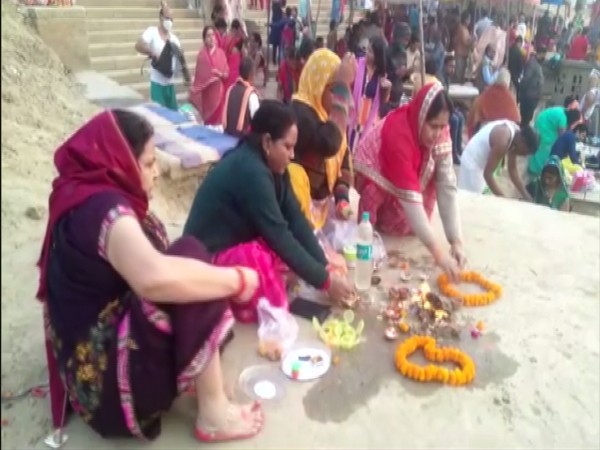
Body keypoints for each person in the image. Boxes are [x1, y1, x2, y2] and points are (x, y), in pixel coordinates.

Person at [38, 109, 264, 443]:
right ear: (119, 161)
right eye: (147, 164)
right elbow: (154, 277)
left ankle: (198, 378)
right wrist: (236, 280)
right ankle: (214, 414)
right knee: (191, 265)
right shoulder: (105, 212)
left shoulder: (82, 192)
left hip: (86, 367)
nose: (156, 173)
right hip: (105, 389)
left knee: (192, 266)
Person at [183, 101, 354, 323]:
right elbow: (279, 235)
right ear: (266, 142)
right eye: (288, 147)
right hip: (206, 258)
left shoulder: (273, 166)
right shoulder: (251, 170)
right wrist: (327, 282)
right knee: (263, 259)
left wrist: (324, 266)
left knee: (289, 256)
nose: (292, 155)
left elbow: (295, 219)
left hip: (233, 242)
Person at [354, 83, 466, 279]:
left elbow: (447, 185)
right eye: (433, 126)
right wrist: (438, 255)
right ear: (421, 118)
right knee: (375, 192)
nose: (438, 133)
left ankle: (406, 226)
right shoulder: (399, 135)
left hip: (405, 172)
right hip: (381, 169)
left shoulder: (441, 133)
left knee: (433, 173)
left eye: (443, 126)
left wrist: (456, 240)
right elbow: (411, 202)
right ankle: (371, 230)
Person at [289, 49, 356, 229]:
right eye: (333, 90)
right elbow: (330, 142)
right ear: (318, 84)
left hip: (319, 212)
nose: (338, 99)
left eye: (339, 91)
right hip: (295, 214)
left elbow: (343, 162)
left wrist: (342, 199)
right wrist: (342, 85)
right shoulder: (300, 114)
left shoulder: (328, 116)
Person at [458, 121, 539, 199]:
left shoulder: (516, 136)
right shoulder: (503, 141)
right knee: (473, 198)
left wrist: (526, 195)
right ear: (522, 142)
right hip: (472, 163)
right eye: (525, 152)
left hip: (482, 164)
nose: (524, 156)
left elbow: (512, 169)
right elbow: (487, 174)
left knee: (484, 195)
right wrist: (503, 199)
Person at [135, 3, 187, 110]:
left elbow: (181, 59)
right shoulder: (152, 32)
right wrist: (152, 53)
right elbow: (138, 45)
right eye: (167, 18)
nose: (169, 21)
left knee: (173, 117)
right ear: (161, 17)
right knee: (159, 115)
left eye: (171, 19)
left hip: (170, 84)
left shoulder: (174, 39)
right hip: (157, 83)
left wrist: (185, 75)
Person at [349, 35, 391, 148]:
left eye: (371, 51)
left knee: (361, 145)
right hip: (354, 111)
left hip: (368, 116)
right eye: (367, 49)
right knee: (350, 142)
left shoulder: (381, 75)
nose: (367, 53)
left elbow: (383, 101)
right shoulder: (357, 64)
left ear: (378, 56)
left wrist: (387, 89)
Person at [190, 26, 229, 127]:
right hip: (207, 96)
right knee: (208, 124)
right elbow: (199, 77)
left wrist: (219, 74)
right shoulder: (201, 56)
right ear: (204, 39)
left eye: (213, 35)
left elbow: (226, 73)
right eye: (208, 36)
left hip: (219, 94)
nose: (211, 38)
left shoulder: (221, 53)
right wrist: (208, 77)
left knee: (218, 125)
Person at [467, 68, 520, 138]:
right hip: (505, 135)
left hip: (485, 132)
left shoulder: (486, 93)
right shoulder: (511, 98)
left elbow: (473, 115)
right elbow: (517, 118)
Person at [529, 107, 582, 177]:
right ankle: (535, 171)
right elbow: (561, 134)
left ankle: (535, 169)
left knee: (540, 149)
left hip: (541, 120)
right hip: (544, 127)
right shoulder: (563, 120)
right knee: (543, 150)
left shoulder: (563, 110)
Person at [223, 57, 260, 137]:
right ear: (251, 74)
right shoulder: (251, 95)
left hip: (227, 136)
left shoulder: (230, 89)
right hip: (242, 141)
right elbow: (258, 122)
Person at [440, 54, 464, 164]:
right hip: (439, 108)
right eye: (450, 66)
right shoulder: (440, 78)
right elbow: (442, 99)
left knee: (461, 117)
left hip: (445, 107)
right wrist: (451, 110)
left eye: (454, 67)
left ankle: (458, 148)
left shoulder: (447, 77)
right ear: (444, 66)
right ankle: (453, 153)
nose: (452, 69)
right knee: (455, 120)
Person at [519, 46, 546, 127]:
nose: (544, 57)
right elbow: (526, 79)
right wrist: (522, 93)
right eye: (543, 55)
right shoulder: (532, 63)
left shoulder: (536, 64)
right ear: (540, 54)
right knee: (525, 120)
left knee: (527, 119)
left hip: (532, 96)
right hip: (529, 97)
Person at [453, 11, 472, 83]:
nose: (469, 21)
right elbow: (465, 42)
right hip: (460, 55)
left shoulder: (465, 29)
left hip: (463, 55)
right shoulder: (461, 29)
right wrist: (472, 40)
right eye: (469, 19)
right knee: (459, 74)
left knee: (462, 74)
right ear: (465, 19)